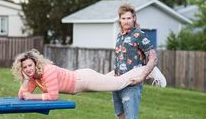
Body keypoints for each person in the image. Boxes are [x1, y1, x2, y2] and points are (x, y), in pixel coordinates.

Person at [112, 3, 166, 119]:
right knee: (121, 118)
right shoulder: (120, 36)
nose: (126, 21)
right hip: (117, 83)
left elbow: (153, 58)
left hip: (133, 83)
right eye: (123, 18)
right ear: (120, 20)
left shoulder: (139, 35)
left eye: (129, 18)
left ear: (134, 18)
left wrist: (143, 75)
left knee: (131, 118)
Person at [11, 48, 165, 101]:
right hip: (80, 84)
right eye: (25, 67)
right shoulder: (33, 78)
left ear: (35, 63)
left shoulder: (46, 71)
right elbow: (21, 95)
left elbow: (53, 96)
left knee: (119, 84)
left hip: (83, 79)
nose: (28, 69)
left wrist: (31, 96)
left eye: (30, 65)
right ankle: (122, 71)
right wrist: (25, 81)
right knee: (109, 80)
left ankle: (149, 70)